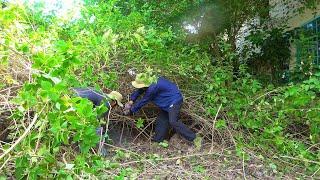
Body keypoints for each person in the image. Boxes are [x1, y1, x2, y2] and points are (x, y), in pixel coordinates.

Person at [124, 71, 202, 148]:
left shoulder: (153, 87)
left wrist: (131, 111)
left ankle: (195, 138)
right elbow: (140, 90)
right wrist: (131, 101)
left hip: (174, 100)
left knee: (173, 121)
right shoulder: (149, 80)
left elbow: (144, 100)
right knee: (161, 120)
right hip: (166, 103)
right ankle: (157, 141)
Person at [72, 88, 123, 156]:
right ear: (114, 102)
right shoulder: (107, 103)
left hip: (71, 93)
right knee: (97, 128)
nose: (114, 107)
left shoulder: (101, 95)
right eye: (116, 105)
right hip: (74, 101)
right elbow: (95, 122)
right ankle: (101, 151)